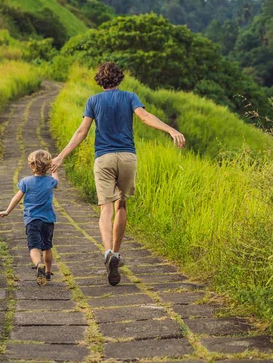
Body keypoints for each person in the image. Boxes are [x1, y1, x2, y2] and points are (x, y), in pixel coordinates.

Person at [51, 62, 185, 286]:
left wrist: (62, 155)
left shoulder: (93, 101)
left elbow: (82, 131)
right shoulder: (129, 97)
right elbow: (145, 117)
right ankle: (117, 252)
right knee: (121, 205)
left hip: (103, 158)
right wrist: (171, 130)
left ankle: (108, 253)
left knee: (105, 209)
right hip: (126, 157)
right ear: (119, 79)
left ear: (100, 81)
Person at [0, 149, 59, 286]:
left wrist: (7, 211)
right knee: (47, 247)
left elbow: (16, 198)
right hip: (48, 220)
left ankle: (38, 265)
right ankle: (48, 272)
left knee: (34, 247)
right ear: (48, 166)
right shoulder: (50, 182)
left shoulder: (25, 182)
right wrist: (55, 170)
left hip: (32, 220)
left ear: (31, 165)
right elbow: (57, 182)